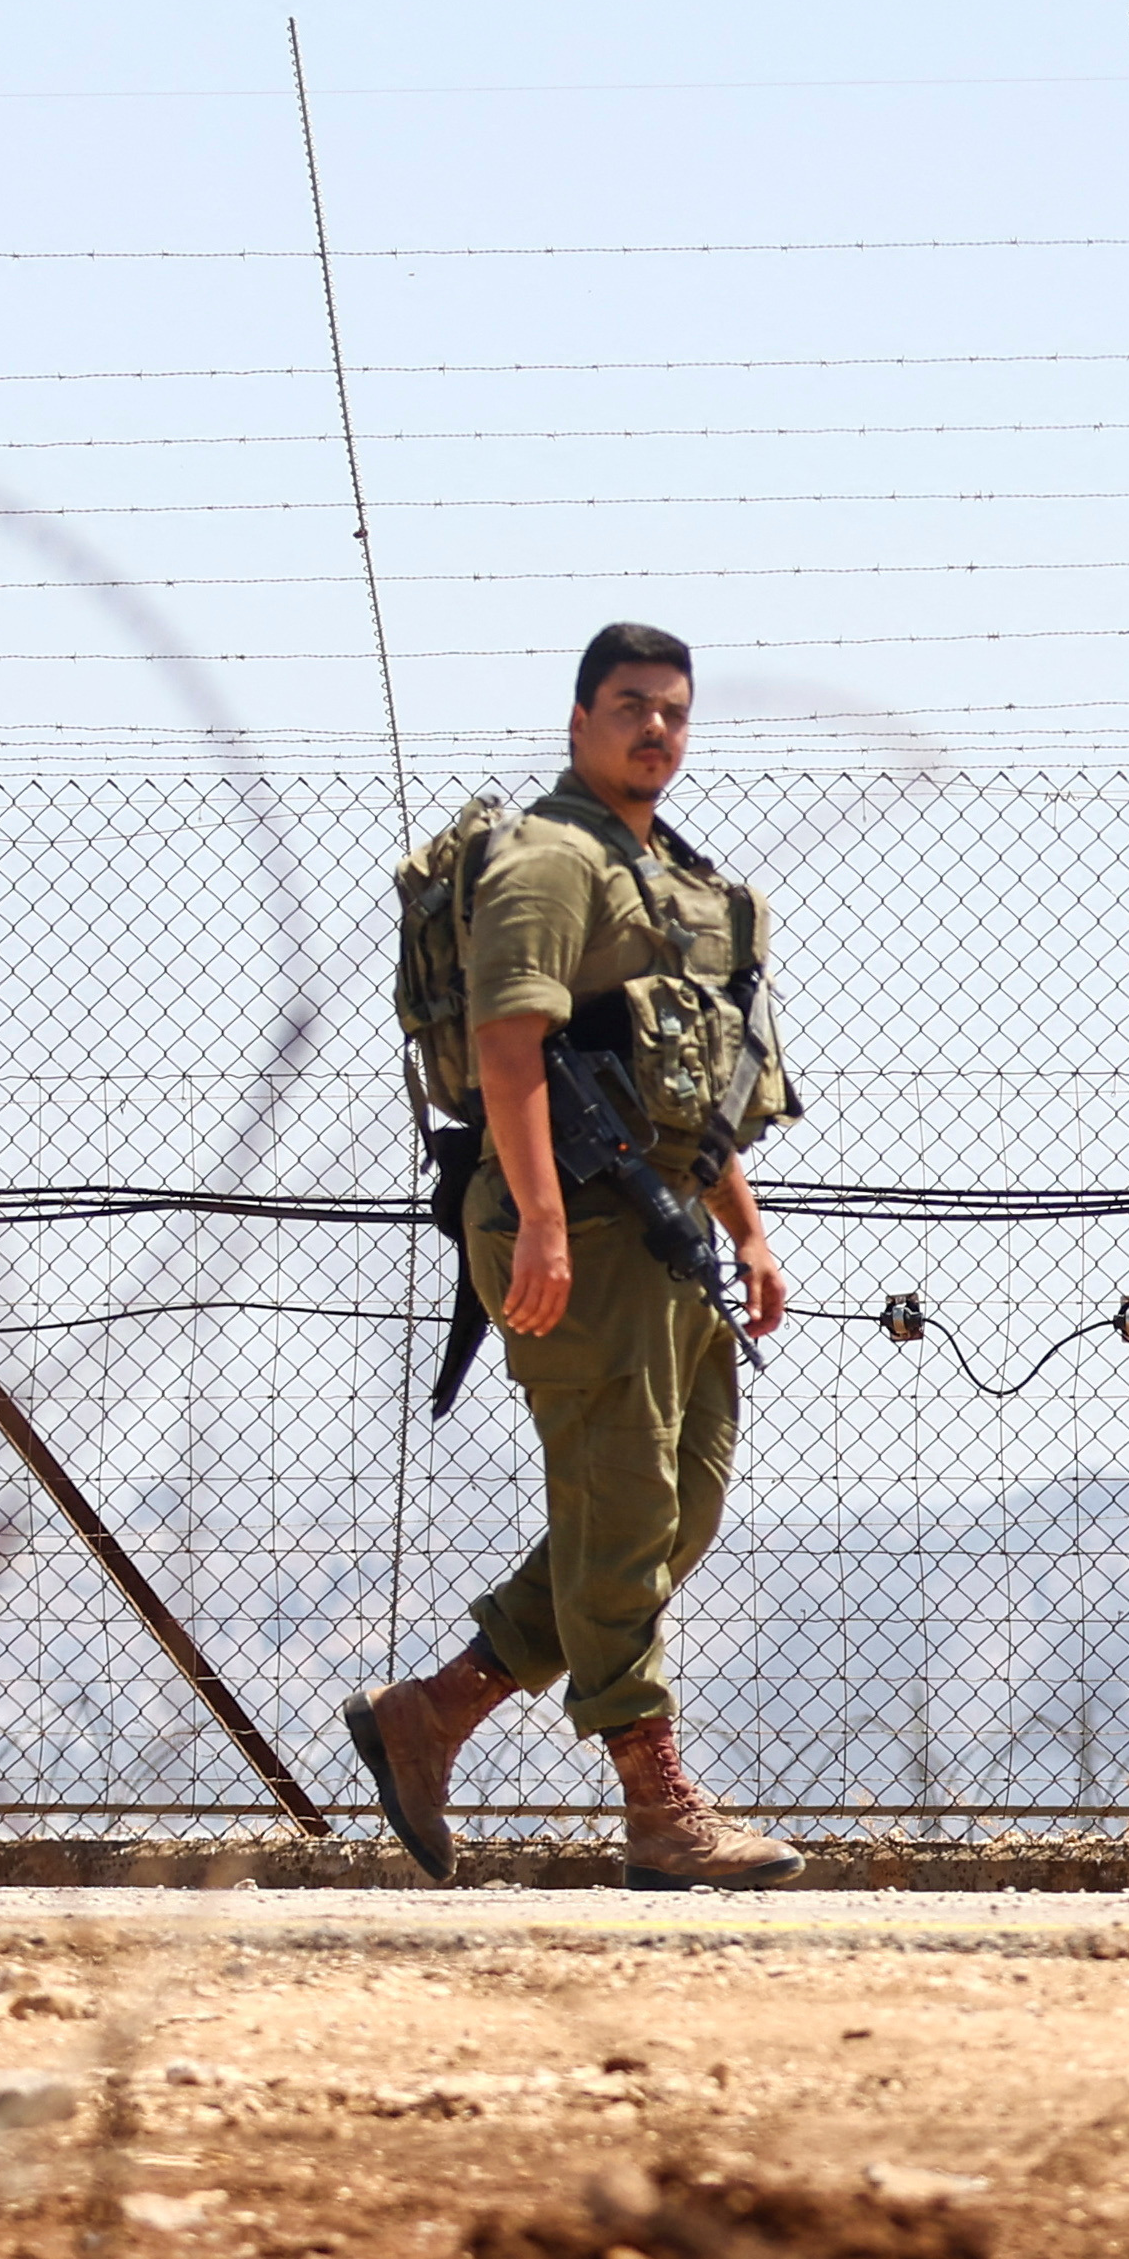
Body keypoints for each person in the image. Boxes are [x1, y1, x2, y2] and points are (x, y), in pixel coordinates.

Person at [341, 624, 804, 1888]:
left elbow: (680, 1088)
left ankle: (432, 1713)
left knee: (674, 1507)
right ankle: (656, 1803)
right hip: (574, 1224)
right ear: (578, 720)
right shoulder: (551, 860)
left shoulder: (669, 875)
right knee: (627, 1504)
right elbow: (509, 1046)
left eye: (673, 712)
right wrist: (541, 1217)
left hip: (666, 1218)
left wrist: (748, 1230)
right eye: (629, 707)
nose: (655, 730)